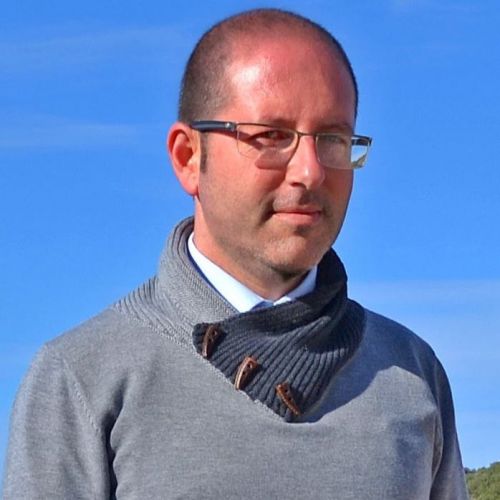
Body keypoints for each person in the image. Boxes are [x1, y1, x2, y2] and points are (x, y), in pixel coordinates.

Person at [3, 8, 469, 500]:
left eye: (332, 138)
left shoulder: (412, 373)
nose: (310, 171)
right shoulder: (82, 377)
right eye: (271, 136)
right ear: (188, 157)